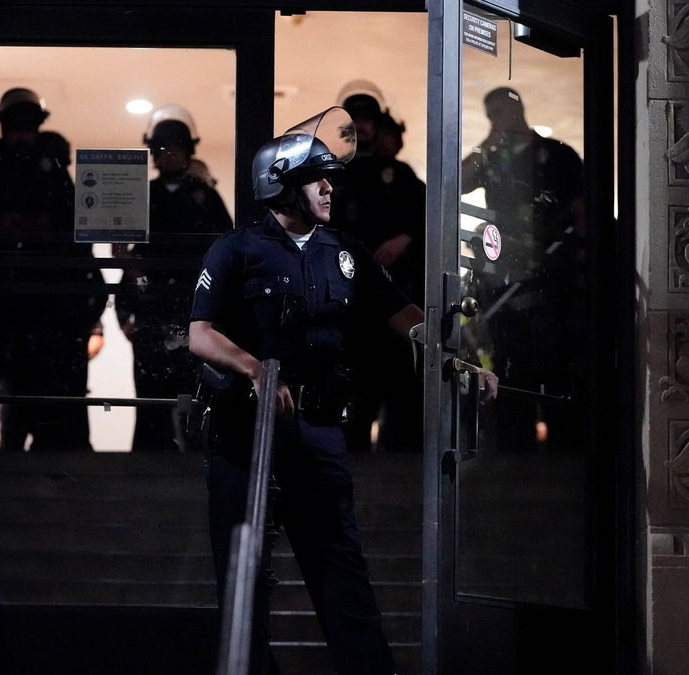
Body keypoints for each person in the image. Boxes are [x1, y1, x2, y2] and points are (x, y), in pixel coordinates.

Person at [189, 107, 497, 675]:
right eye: (315, 177)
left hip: (319, 435)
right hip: (244, 435)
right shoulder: (235, 250)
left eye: (330, 175)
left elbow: (409, 319)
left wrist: (463, 363)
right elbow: (200, 334)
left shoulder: (347, 253)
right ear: (280, 182)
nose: (330, 187)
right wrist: (255, 369)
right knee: (244, 583)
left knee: (344, 582)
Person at [0, 88, 107, 452]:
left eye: (28, 127)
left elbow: (74, 224)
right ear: (3, 125)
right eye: (16, 126)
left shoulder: (51, 168)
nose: (22, 134)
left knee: (33, 373)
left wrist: (44, 228)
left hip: (39, 293)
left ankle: (36, 442)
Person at [460, 87, 586, 452]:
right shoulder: (493, 158)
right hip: (505, 280)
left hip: (554, 280)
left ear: (520, 109)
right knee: (513, 367)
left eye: (503, 111)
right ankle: (514, 453)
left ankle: (566, 453)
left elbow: (582, 210)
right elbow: (458, 182)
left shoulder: (558, 155)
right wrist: (488, 143)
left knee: (557, 366)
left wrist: (578, 263)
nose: (499, 118)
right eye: (492, 113)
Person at [114, 104, 233, 452]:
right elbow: (126, 258)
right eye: (163, 150)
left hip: (192, 306)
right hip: (150, 305)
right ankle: (148, 461)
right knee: (149, 395)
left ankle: (198, 457)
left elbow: (225, 247)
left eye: (177, 149)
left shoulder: (204, 195)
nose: (170, 156)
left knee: (194, 392)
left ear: (188, 151)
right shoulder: (140, 193)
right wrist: (125, 315)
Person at [329, 82, 427, 453]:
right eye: (355, 121)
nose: (362, 127)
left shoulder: (399, 175)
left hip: (395, 304)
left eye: (368, 120)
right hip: (346, 307)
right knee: (352, 401)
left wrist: (406, 239)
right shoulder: (331, 174)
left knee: (401, 398)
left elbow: (430, 222)